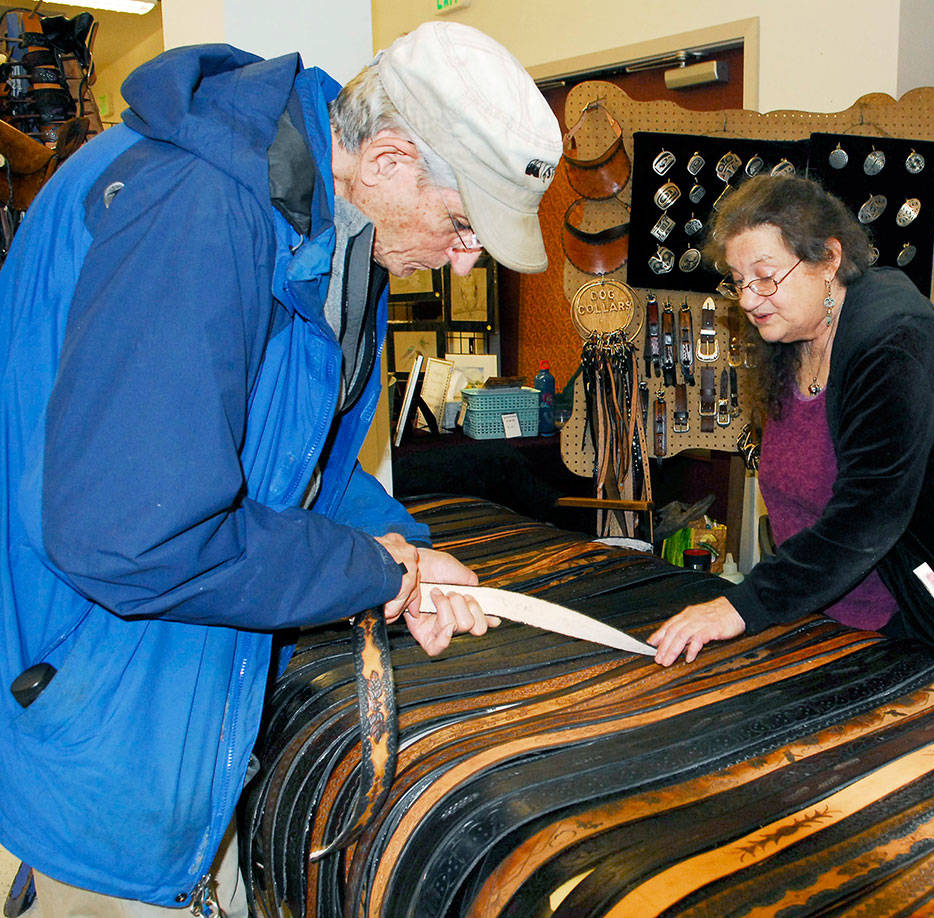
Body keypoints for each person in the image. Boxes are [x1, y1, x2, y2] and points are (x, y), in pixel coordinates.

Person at [0, 21, 561, 915]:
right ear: (385, 159)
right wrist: (370, 574)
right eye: (462, 224)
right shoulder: (193, 210)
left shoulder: (333, 236)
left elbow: (297, 459)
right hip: (98, 730)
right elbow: (136, 536)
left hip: (179, 709)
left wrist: (401, 546)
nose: (467, 260)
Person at [649, 175, 934, 674]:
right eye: (738, 281)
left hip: (924, 610)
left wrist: (743, 606)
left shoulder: (897, 343)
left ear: (828, 260)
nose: (750, 299)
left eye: (766, 276)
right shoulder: (792, 333)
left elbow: (869, 513)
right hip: (830, 610)